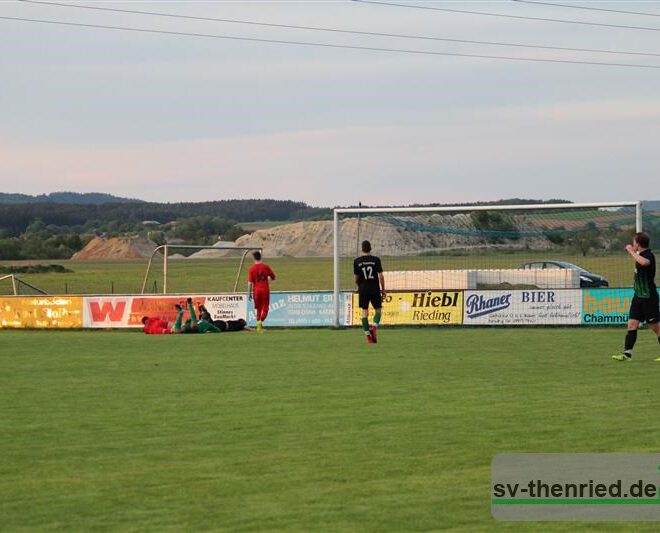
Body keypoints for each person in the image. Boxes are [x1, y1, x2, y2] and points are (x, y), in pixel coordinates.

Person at [612, 232, 660, 362]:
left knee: (655, 327)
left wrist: (630, 251)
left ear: (638, 244)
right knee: (632, 324)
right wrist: (634, 253)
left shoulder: (648, 255)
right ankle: (627, 354)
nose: (632, 244)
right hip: (638, 297)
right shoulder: (639, 254)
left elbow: (645, 263)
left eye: (634, 242)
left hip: (649, 297)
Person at [354, 240, 385, 344]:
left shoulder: (357, 261)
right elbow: (381, 276)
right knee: (378, 310)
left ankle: (368, 336)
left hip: (363, 289)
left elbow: (356, 278)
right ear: (370, 248)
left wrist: (358, 287)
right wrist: (383, 290)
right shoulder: (376, 260)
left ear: (362, 249)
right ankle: (374, 327)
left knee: (364, 313)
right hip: (375, 289)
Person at [247, 251, 276, 332]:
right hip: (265, 290)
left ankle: (258, 326)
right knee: (265, 308)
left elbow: (250, 283)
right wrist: (268, 280)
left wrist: (249, 293)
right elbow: (273, 277)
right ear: (261, 257)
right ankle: (260, 321)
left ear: (254, 258)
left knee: (258, 308)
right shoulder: (266, 267)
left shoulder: (251, 269)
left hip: (256, 291)